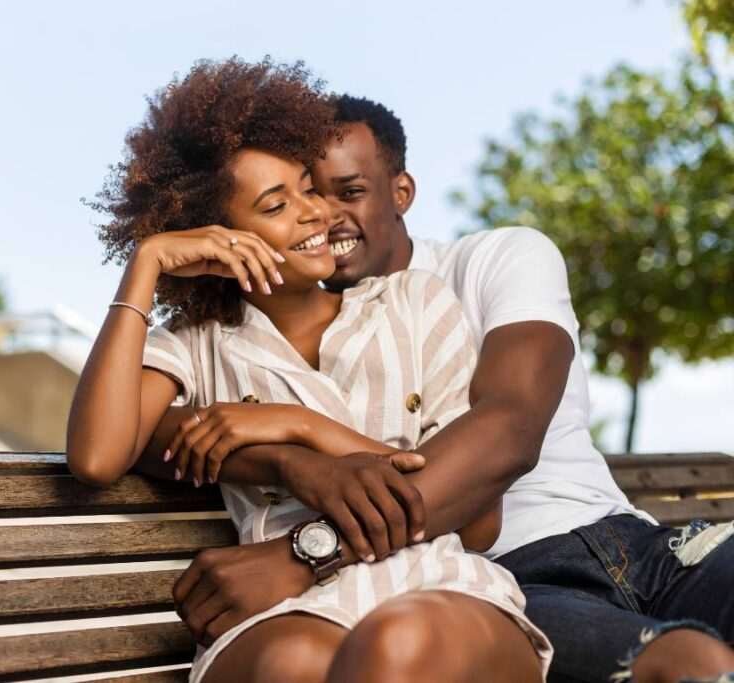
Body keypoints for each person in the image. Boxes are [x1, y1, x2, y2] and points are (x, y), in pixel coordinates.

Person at [143, 94, 734, 683]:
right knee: (681, 669)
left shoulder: (491, 260)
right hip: (509, 581)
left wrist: (307, 550)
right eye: (306, 193)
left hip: (640, 542)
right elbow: (146, 436)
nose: (324, 215)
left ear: (401, 192)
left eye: (349, 191)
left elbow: (509, 429)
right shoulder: (253, 340)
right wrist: (286, 455)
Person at [67, 57, 551, 683]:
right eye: (275, 205)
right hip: (279, 605)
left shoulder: (414, 303)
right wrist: (147, 262)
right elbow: (98, 456)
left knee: (397, 647)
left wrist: (300, 428)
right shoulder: (195, 345)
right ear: (217, 233)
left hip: (433, 579)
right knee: (293, 664)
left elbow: (481, 521)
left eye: (306, 186)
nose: (313, 212)